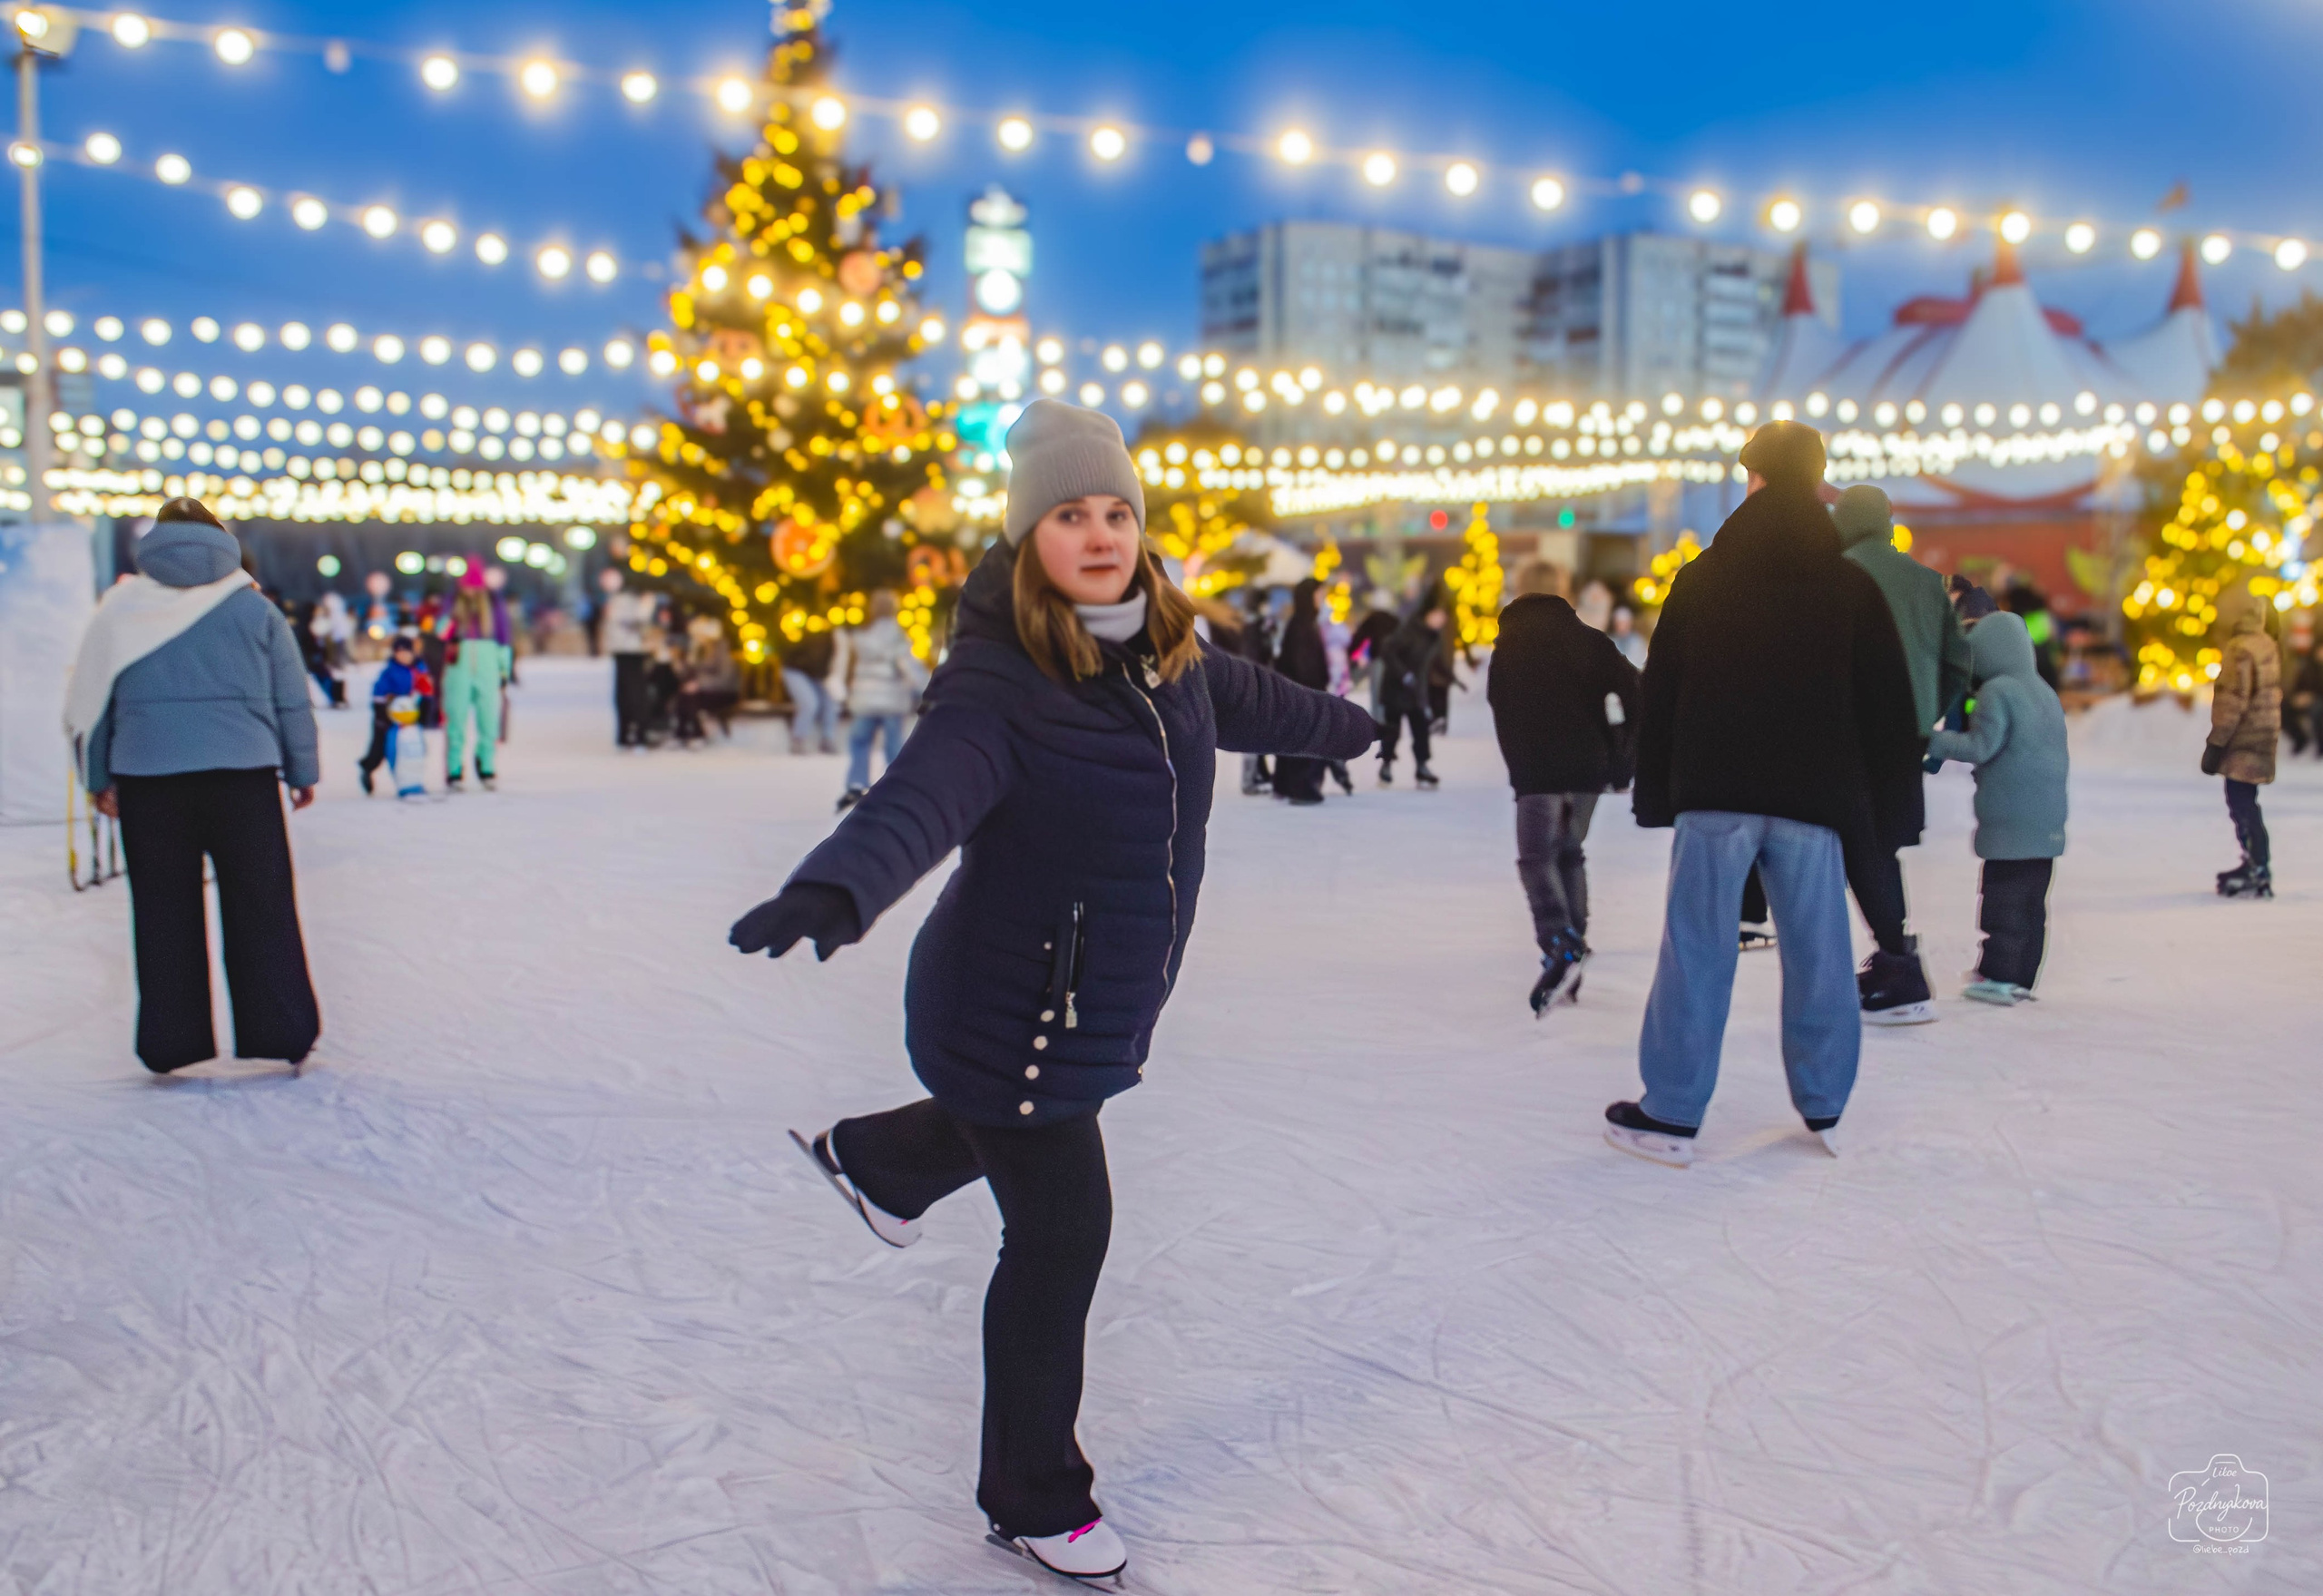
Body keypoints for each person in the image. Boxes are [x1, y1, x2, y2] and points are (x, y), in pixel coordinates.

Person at [727, 401, 1375, 1584]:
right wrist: (837, 888)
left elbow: (1255, 702)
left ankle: (877, 1162)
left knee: (1022, 1162)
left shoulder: (1165, 648)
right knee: (1064, 1230)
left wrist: (1347, 724)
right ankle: (1032, 1491)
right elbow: (922, 790)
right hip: (1010, 1010)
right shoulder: (1003, 678)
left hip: (1089, 993)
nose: (1099, 531)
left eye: (1116, 510)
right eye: (1069, 512)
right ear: (1029, 536)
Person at [1612, 421, 1921, 1168]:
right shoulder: (1850, 586)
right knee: (1820, 949)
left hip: (1716, 790)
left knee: (1697, 946)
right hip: (1816, 797)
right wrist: (1894, 809)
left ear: (1750, 477)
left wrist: (1655, 791)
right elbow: (1888, 705)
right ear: (1817, 482)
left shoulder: (1702, 578)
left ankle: (1672, 1111)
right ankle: (1826, 1102)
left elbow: (1663, 693)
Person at [62, 498, 321, 1074]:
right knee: (263, 905)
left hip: (150, 779)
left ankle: (170, 1042)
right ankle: (282, 1030)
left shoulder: (121, 610)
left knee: (162, 911)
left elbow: (95, 702)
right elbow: (290, 698)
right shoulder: (255, 610)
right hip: (244, 778)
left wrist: (98, 777)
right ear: (224, 543)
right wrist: (302, 771)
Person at [1835, 485, 1974, 1025]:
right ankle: (1895, 954)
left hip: (1847, 732)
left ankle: (1893, 961)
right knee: (1881, 845)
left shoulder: (1833, 574)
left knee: (1846, 846)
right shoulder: (1924, 582)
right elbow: (1957, 664)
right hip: (1905, 736)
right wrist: (1925, 714)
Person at [1488, 560, 1640, 1013]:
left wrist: (1520, 771)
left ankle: (1560, 944)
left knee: (1537, 858)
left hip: (1539, 774)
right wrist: (1620, 758)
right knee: (1568, 853)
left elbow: (1504, 715)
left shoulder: (1509, 647)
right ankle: (1570, 959)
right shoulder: (1589, 641)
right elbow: (1635, 691)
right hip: (1587, 771)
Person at [1926, 612, 2069, 1004]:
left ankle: (1997, 975)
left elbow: (1980, 747)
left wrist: (1933, 741)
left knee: (2002, 899)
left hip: (2010, 819)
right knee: (2031, 905)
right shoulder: (2044, 691)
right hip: (2047, 821)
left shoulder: (1998, 692)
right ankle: (2023, 975)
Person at [2207, 597, 2280, 898]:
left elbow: (2232, 702)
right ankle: (2256, 862)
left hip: (2243, 739)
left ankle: (2257, 865)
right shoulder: (2265, 642)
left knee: (2241, 802)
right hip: (2263, 735)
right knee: (2247, 800)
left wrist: (2215, 744)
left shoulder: (2240, 649)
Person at [833, 589, 930, 809]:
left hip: (864, 700)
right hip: (891, 701)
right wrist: (927, 686)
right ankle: (897, 787)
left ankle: (856, 783)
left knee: (860, 742)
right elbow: (908, 666)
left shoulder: (862, 635)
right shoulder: (897, 636)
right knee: (893, 744)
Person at [440, 572, 510, 791]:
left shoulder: (493, 608)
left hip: (486, 664)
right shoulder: (453, 606)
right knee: (456, 720)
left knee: (489, 719)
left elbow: (503, 638)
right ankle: (454, 769)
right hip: (458, 668)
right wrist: (452, 614)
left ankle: (486, 762)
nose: (470, 592)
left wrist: (504, 669)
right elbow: (441, 632)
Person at [1270, 578, 1332, 804]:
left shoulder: (1303, 622)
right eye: (1319, 595)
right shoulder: (1302, 625)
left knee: (1295, 737)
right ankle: (1300, 786)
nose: (1322, 600)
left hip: (1298, 691)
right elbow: (1303, 664)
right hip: (1303, 692)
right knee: (1305, 739)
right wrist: (1315, 690)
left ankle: (1285, 784)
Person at [1376, 600, 1446, 788]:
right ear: (1428, 615)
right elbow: (1387, 649)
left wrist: (1450, 678)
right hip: (1396, 689)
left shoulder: (1433, 637)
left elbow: (1430, 664)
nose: (1442, 620)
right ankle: (1386, 765)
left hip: (1415, 692)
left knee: (1421, 730)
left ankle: (1422, 767)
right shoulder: (1409, 630)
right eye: (1438, 615)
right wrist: (1403, 674)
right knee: (1392, 731)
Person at [368, 635, 436, 799]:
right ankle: (398, 779)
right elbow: (379, 693)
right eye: (400, 652)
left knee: (415, 749)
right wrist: (382, 713)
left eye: (407, 652)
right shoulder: (390, 672)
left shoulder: (420, 670)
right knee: (389, 750)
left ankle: (414, 781)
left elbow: (426, 693)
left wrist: (426, 711)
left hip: (412, 720)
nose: (404, 656)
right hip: (392, 721)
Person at [599, 569, 652, 749]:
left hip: (625, 650)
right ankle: (633, 733)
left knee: (627, 692)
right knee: (631, 692)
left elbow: (628, 621)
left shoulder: (621, 600)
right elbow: (638, 620)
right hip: (629, 650)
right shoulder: (628, 600)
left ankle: (628, 733)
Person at [780, 627, 839, 755]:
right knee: (809, 703)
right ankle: (798, 740)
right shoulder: (823, 637)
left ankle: (827, 740)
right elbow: (815, 661)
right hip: (797, 669)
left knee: (831, 702)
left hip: (817, 673)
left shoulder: (839, 640)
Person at [1606, 604, 1650, 671]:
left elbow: (1643, 663)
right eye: (1619, 623)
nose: (1622, 627)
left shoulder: (1638, 641)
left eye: (1624, 623)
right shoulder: (1609, 640)